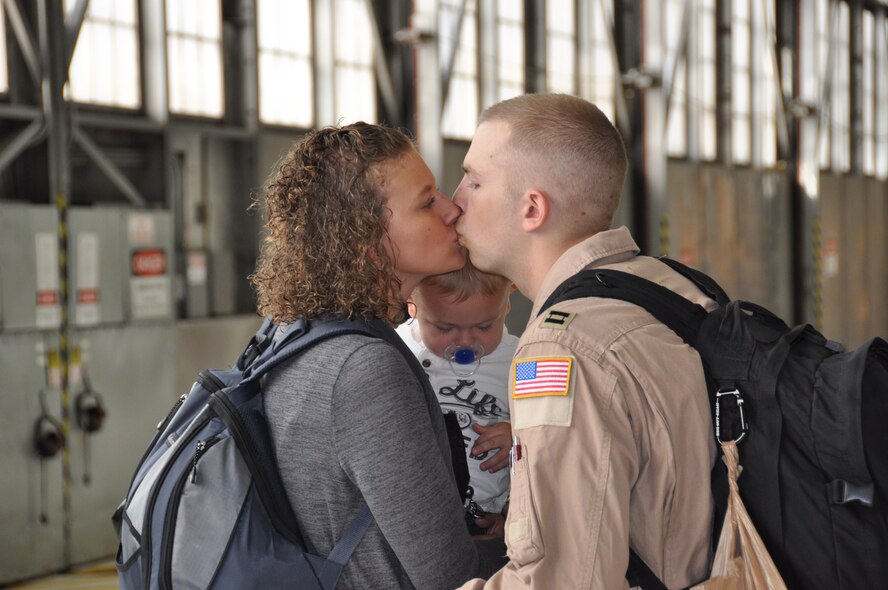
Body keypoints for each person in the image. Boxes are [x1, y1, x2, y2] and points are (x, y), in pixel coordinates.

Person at [451, 93, 718, 589]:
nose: (455, 202)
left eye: (474, 180)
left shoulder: (562, 348)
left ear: (532, 208)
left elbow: (568, 579)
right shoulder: (672, 287)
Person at [250, 122, 498, 589]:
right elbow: (448, 577)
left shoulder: (291, 337)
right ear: (365, 241)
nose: (452, 209)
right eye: (427, 202)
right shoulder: (364, 371)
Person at [396, 261, 518, 537]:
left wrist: (518, 435)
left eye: (484, 326)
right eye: (444, 327)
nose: (465, 341)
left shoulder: (522, 358)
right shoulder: (396, 351)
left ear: (507, 304)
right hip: (413, 515)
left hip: (485, 514)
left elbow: (551, 438)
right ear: (411, 304)